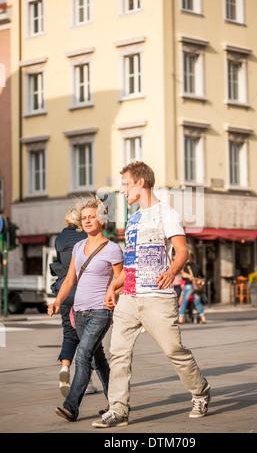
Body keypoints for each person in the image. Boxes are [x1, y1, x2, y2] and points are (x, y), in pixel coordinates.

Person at [92, 161, 211, 429]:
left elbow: (182, 251)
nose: (122, 191)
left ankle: (201, 391)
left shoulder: (166, 213)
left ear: (140, 183)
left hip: (158, 297)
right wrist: (114, 286)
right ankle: (118, 409)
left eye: (125, 185)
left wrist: (172, 271)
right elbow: (131, 264)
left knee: (173, 350)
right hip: (130, 298)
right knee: (119, 353)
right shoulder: (132, 220)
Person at [48, 196, 124, 422]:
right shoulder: (79, 246)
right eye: (84, 218)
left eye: (92, 217)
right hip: (79, 313)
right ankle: (115, 401)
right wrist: (58, 301)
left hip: (100, 311)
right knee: (96, 359)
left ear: (102, 221)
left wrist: (114, 294)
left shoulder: (113, 249)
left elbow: (121, 280)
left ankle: (71, 406)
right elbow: (70, 280)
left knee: (82, 355)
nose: (88, 221)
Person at [50, 208, 90, 397]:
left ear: (67, 221)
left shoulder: (59, 239)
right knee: (88, 338)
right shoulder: (87, 237)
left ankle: (65, 369)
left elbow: (61, 262)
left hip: (65, 291)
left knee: (69, 333)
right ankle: (87, 382)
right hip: (85, 290)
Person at [178, 253, 206, 324]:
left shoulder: (185, 267)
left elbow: (183, 277)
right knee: (197, 302)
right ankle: (203, 317)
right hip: (196, 286)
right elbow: (202, 276)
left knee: (184, 302)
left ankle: (181, 318)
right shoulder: (197, 266)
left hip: (188, 285)